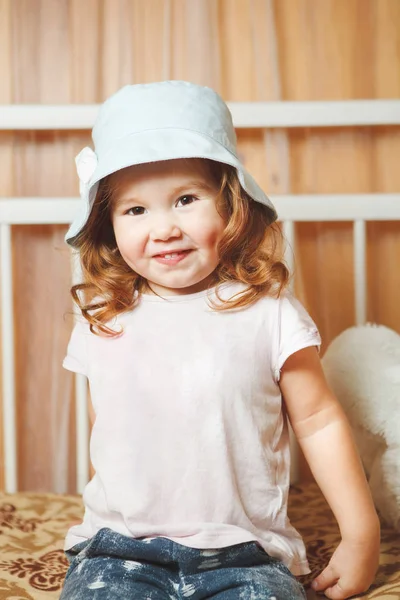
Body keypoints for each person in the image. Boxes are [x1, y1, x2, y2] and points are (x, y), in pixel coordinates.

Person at [60, 81, 380, 600]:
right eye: (135, 210)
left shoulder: (270, 314)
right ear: (109, 224)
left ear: (231, 205)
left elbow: (319, 422)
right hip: (118, 549)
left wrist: (361, 535)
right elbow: (115, 426)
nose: (163, 227)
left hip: (245, 554)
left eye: (186, 199)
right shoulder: (104, 316)